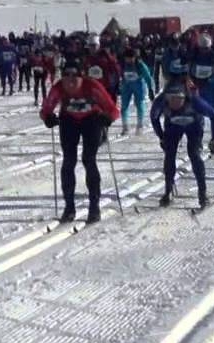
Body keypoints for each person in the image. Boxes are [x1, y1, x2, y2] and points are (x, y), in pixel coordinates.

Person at [42, 61, 120, 223]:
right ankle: (69, 207)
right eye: (66, 76)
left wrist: (107, 118)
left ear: (81, 76)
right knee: (68, 161)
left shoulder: (92, 86)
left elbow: (112, 109)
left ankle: (94, 207)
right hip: (69, 120)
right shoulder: (59, 87)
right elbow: (47, 107)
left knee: (88, 159)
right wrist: (48, 117)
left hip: (91, 120)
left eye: (74, 76)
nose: (70, 80)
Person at [151, 87, 214, 208]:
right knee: (169, 155)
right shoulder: (161, 101)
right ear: (167, 98)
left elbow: (213, 115)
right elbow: (154, 117)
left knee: (194, 155)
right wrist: (161, 136)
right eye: (172, 99)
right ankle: (168, 192)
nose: (175, 103)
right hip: (172, 126)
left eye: (178, 99)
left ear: (184, 97)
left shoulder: (195, 101)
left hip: (194, 125)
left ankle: (203, 194)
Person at [116, 48, 155, 136]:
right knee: (124, 106)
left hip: (138, 86)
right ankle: (125, 126)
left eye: (131, 58)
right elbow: (118, 73)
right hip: (126, 86)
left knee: (139, 105)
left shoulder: (140, 65)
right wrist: (117, 85)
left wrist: (150, 89)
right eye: (127, 58)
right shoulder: (122, 64)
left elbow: (148, 77)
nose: (129, 60)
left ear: (135, 57)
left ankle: (140, 125)